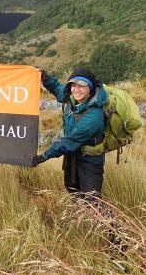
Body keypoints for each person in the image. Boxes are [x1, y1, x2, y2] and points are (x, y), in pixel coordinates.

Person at [32, 68, 108, 201]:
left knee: (92, 200)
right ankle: (79, 219)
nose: (76, 90)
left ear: (90, 88)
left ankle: (104, 221)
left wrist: (43, 156)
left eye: (81, 86)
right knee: (73, 192)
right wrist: (45, 77)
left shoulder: (94, 115)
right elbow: (57, 88)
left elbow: (70, 141)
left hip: (89, 160)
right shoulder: (70, 97)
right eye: (73, 85)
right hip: (72, 156)